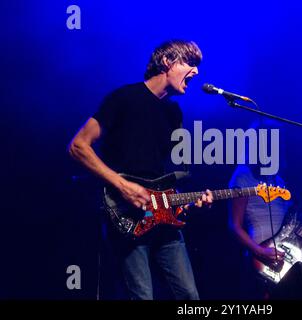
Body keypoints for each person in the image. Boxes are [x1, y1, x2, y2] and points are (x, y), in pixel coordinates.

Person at [68, 40, 213, 300]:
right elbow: (79, 146)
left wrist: (191, 201)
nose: (197, 72)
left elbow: (169, 174)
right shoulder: (123, 98)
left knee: (190, 296)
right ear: (167, 62)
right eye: (190, 63)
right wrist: (122, 185)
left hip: (164, 217)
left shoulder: (174, 114)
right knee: (143, 296)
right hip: (126, 215)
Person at [228, 121, 290, 299]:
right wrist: (259, 251)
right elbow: (234, 226)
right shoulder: (243, 176)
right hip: (261, 252)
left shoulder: (278, 179)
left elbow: (291, 220)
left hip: (285, 251)